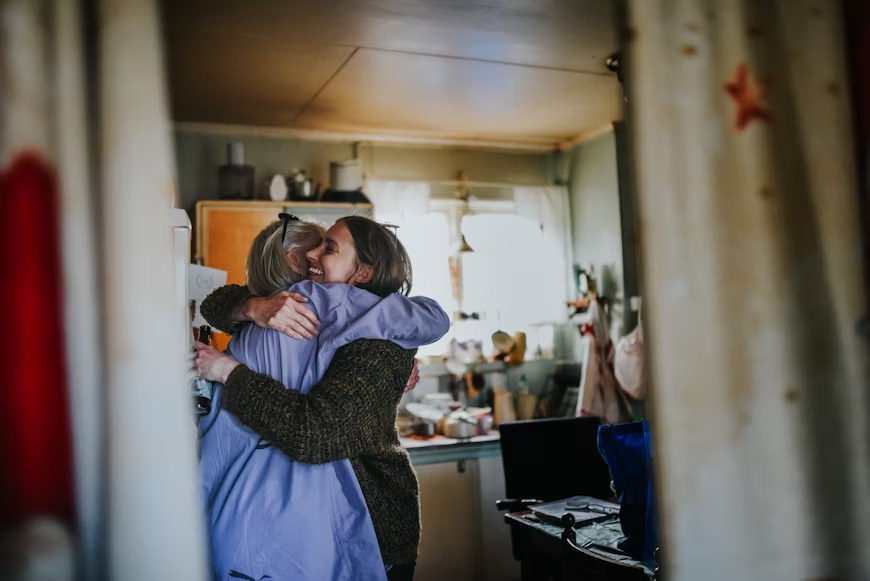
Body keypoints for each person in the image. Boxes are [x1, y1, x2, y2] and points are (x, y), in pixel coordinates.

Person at [192, 215, 448, 581]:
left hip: (375, 523)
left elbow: (316, 433)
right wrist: (252, 306)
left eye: (328, 248)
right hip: (312, 523)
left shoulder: (377, 340)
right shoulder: (285, 314)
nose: (314, 256)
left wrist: (227, 372)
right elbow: (216, 302)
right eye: (313, 248)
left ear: (362, 272)